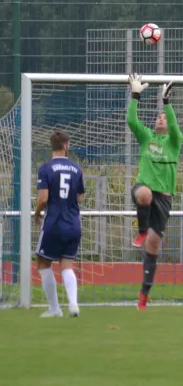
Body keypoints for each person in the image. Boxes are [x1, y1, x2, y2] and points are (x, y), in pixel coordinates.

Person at [127, 73, 183, 310]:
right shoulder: (146, 138)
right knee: (144, 195)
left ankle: (144, 292)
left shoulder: (174, 141)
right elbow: (132, 121)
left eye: (164, 117)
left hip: (164, 199)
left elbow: (175, 127)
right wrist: (135, 95)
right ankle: (140, 231)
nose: (160, 119)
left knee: (153, 245)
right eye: (158, 117)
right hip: (144, 189)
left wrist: (166, 102)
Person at [34, 130, 85, 318]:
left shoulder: (46, 168)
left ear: (52, 146)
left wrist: (37, 213)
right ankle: (73, 305)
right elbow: (79, 197)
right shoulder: (77, 169)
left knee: (42, 262)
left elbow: (43, 198)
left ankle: (55, 309)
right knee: (67, 265)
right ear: (65, 146)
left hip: (54, 223)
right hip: (73, 224)